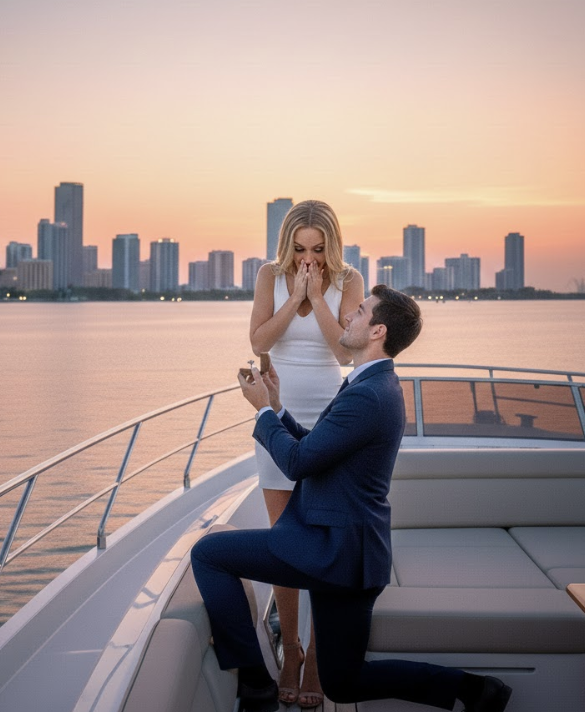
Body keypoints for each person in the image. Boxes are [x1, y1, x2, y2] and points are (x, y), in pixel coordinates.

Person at [192, 285, 513, 712]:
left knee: (210, 553)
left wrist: (261, 412)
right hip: (352, 553)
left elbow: (298, 463)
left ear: (377, 330)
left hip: (331, 550)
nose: (348, 316)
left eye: (359, 312)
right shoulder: (371, 385)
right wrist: (278, 405)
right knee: (343, 683)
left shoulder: (367, 395)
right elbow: (318, 449)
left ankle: (255, 681)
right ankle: (475, 690)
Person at [249, 200, 363, 707]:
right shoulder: (269, 275)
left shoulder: (349, 280)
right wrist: (291, 293)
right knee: (284, 542)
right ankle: (290, 648)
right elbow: (258, 341)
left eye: (318, 249)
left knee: (323, 538)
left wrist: (315, 297)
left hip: (329, 418)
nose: (309, 258)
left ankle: (317, 654)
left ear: (331, 246)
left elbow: (345, 352)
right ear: (287, 245)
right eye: (300, 249)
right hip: (278, 413)